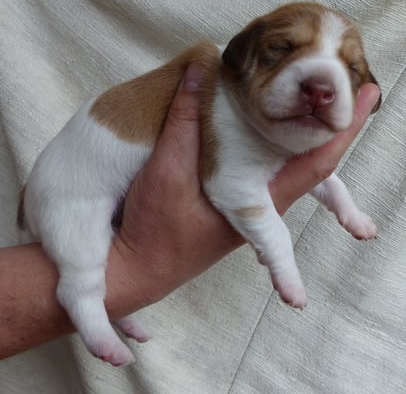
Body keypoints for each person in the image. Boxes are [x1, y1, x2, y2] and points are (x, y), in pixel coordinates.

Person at [0, 64, 380, 360]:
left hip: (102, 191)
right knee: (83, 264)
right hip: (74, 182)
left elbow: (309, 168)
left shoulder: (272, 115)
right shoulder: (235, 99)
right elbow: (232, 184)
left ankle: (111, 303)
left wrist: (347, 209)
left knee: (97, 249)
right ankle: (87, 307)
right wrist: (136, 271)